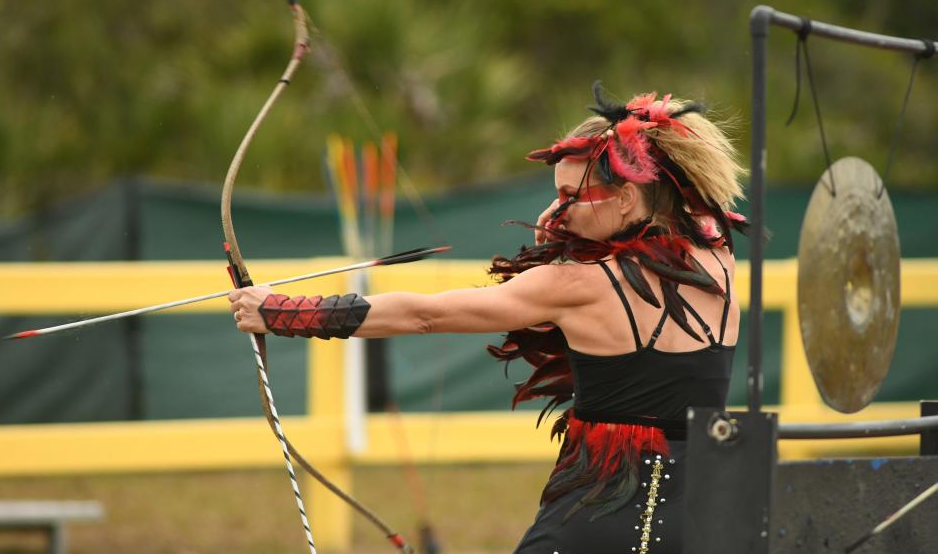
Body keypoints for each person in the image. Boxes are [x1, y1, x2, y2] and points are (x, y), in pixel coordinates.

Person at [229, 82, 747, 553]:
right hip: (706, 515)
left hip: (603, 506)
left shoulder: (574, 284)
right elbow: (678, 218)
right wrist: (570, 229)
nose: (556, 210)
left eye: (570, 196)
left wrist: (278, 311)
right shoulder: (719, 262)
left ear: (628, 195)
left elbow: (424, 316)